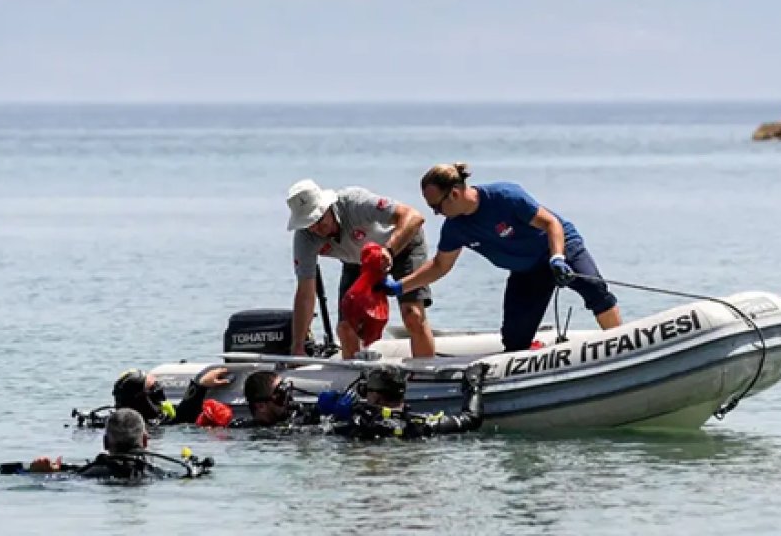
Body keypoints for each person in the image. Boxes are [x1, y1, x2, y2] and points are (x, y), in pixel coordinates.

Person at [383, 163, 621, 352]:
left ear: (454, 194)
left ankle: (621, 345)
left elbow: (551, 224)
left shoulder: (505, 197)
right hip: (526, 271)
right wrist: (400, 287)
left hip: (559, 248)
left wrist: (558, 257)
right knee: (515, 339)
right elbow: (439, 266)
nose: (436, 213)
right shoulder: (455, 229)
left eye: (437, 207)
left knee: (595, 289)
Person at [287, 179, 436, 359]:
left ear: (328, 207)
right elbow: (305, 292)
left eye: (319, 220)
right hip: (358, 261)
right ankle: (356, 381)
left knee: (412, 315)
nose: (316, 228)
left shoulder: (355, 203)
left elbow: (414, 216)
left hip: (402, 247)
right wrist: (298, 345)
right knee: (346, 328)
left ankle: (425, 373)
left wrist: (389, 250)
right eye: (308, 224)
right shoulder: (305, 238)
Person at [240, 365, 486, 439]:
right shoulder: (420, 424)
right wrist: (473, 384)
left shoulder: (356, 425)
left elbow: (308, 438)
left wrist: (337, 415)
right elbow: (471, 419)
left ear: (375, 396)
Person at [3, 409, 214, 480]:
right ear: (145, 440)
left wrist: (39, 472)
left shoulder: (87, 473)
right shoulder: (162, 473)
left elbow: (4, 471)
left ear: (105, 443)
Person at [102, 367, 233, 427]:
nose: (162, 398)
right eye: (154, 390)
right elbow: (183, 418)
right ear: (142, 401)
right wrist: (200, 386)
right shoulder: (151, 427)